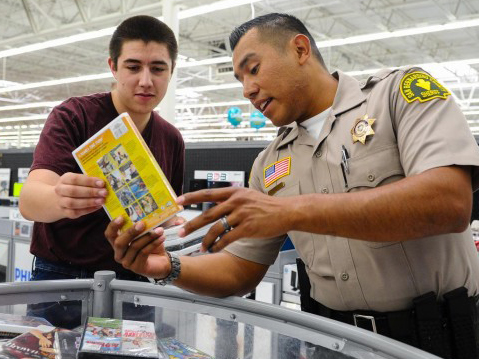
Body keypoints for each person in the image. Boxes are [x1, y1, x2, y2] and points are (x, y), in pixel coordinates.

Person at [106, 13, 479, 358]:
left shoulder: (397, 96)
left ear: (300, 49)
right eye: (239, 80)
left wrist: (292, 210)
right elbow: (240, 269)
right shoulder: (269, 164)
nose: (247, 91)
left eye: (253, 69)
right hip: (331, 342)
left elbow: (449, 202)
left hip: (433, 340)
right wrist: (166, 266)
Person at [19, 15, 185, 328]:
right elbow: (30, 200)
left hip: (134, 283)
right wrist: (60, 199)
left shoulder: (171, 139)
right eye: (133, 67)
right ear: (113, 66)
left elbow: (163, 216)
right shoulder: (73, 116)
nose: (146, 80)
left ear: (171, 71)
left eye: (158, 68)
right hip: (62, 279)